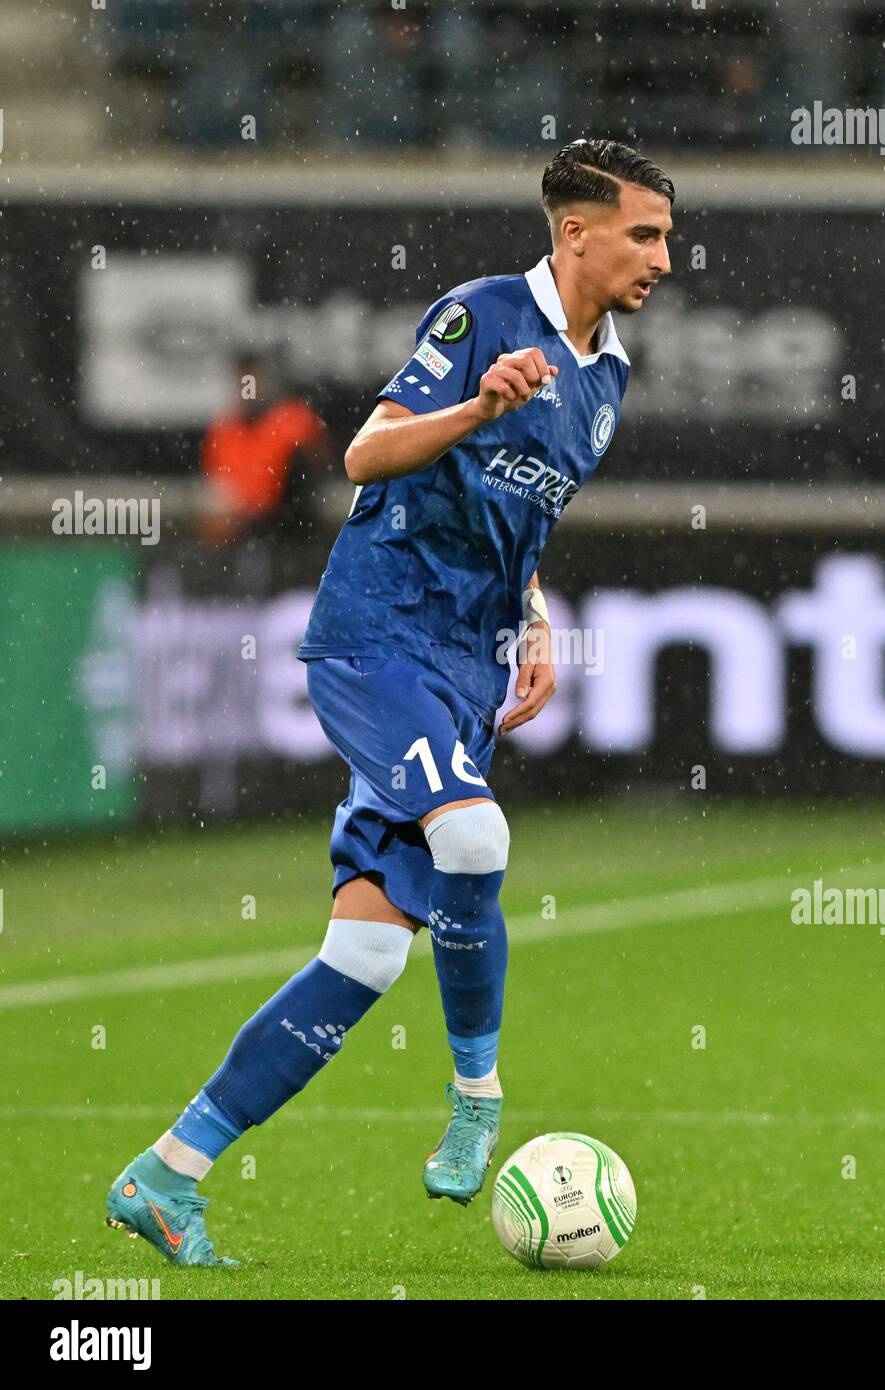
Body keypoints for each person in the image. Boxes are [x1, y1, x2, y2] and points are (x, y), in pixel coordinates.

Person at [104, 137, 674, 1266]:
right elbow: (366, 455)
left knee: (363, 960)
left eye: (666, 234)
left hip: (465, 665)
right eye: (645, 232)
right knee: (474, 831)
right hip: (377, 639)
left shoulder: (608, 374)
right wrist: (474, 406)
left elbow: (525, 516)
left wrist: (537, 621)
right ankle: (477, 1092)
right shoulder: (478, 317)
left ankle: (168, 1172)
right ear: (576, 230)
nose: (664, 254)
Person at [198, 350, 333, 547]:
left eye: (253, 381)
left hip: (290, 530)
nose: (248, 389)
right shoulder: (224, 430)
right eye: (243, 382)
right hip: (244, 535)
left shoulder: (293, 420)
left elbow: (316, 475)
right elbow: (221, 492)